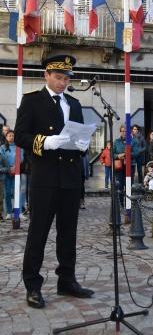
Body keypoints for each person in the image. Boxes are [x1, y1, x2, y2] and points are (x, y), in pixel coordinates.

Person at [14, 54, 94, 309]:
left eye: (66, 78)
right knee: (38, 233)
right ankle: (33, 286)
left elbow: (78, 136)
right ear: (46, 75)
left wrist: (83, 145)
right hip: (45, 178)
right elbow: (20, 136)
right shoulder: (32, 101)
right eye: (58, 77)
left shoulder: (74, 103)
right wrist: (44, 142)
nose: (62, 82)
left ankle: (67, 280)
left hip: (70, 178)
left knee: (68, 233)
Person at [0, 130, 25, 220]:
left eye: (13, 135)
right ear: (6, 137)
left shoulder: (19, 147)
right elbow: (2, 158)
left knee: (17, 192)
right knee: (7, 192)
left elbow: (21, 158)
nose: (11, 137)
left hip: (16, 172)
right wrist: (8, 168)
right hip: (6, 172)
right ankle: (9, 212)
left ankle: (18, 212)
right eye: (9, 135)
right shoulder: (2, 147)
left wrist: (15, 167)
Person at [113, 125, 139, 206]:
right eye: (122, 131)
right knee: (120, 185)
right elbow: (111, 154)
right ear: (120, 132)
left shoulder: (133, 141)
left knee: (129, 185)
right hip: (119, 166)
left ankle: (129, 204)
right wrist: (117, 156)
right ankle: (121, 204)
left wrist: (127, 154)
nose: (124, 133)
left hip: (130, 165)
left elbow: (136, 153)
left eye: (125, 131)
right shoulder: (116, 141)